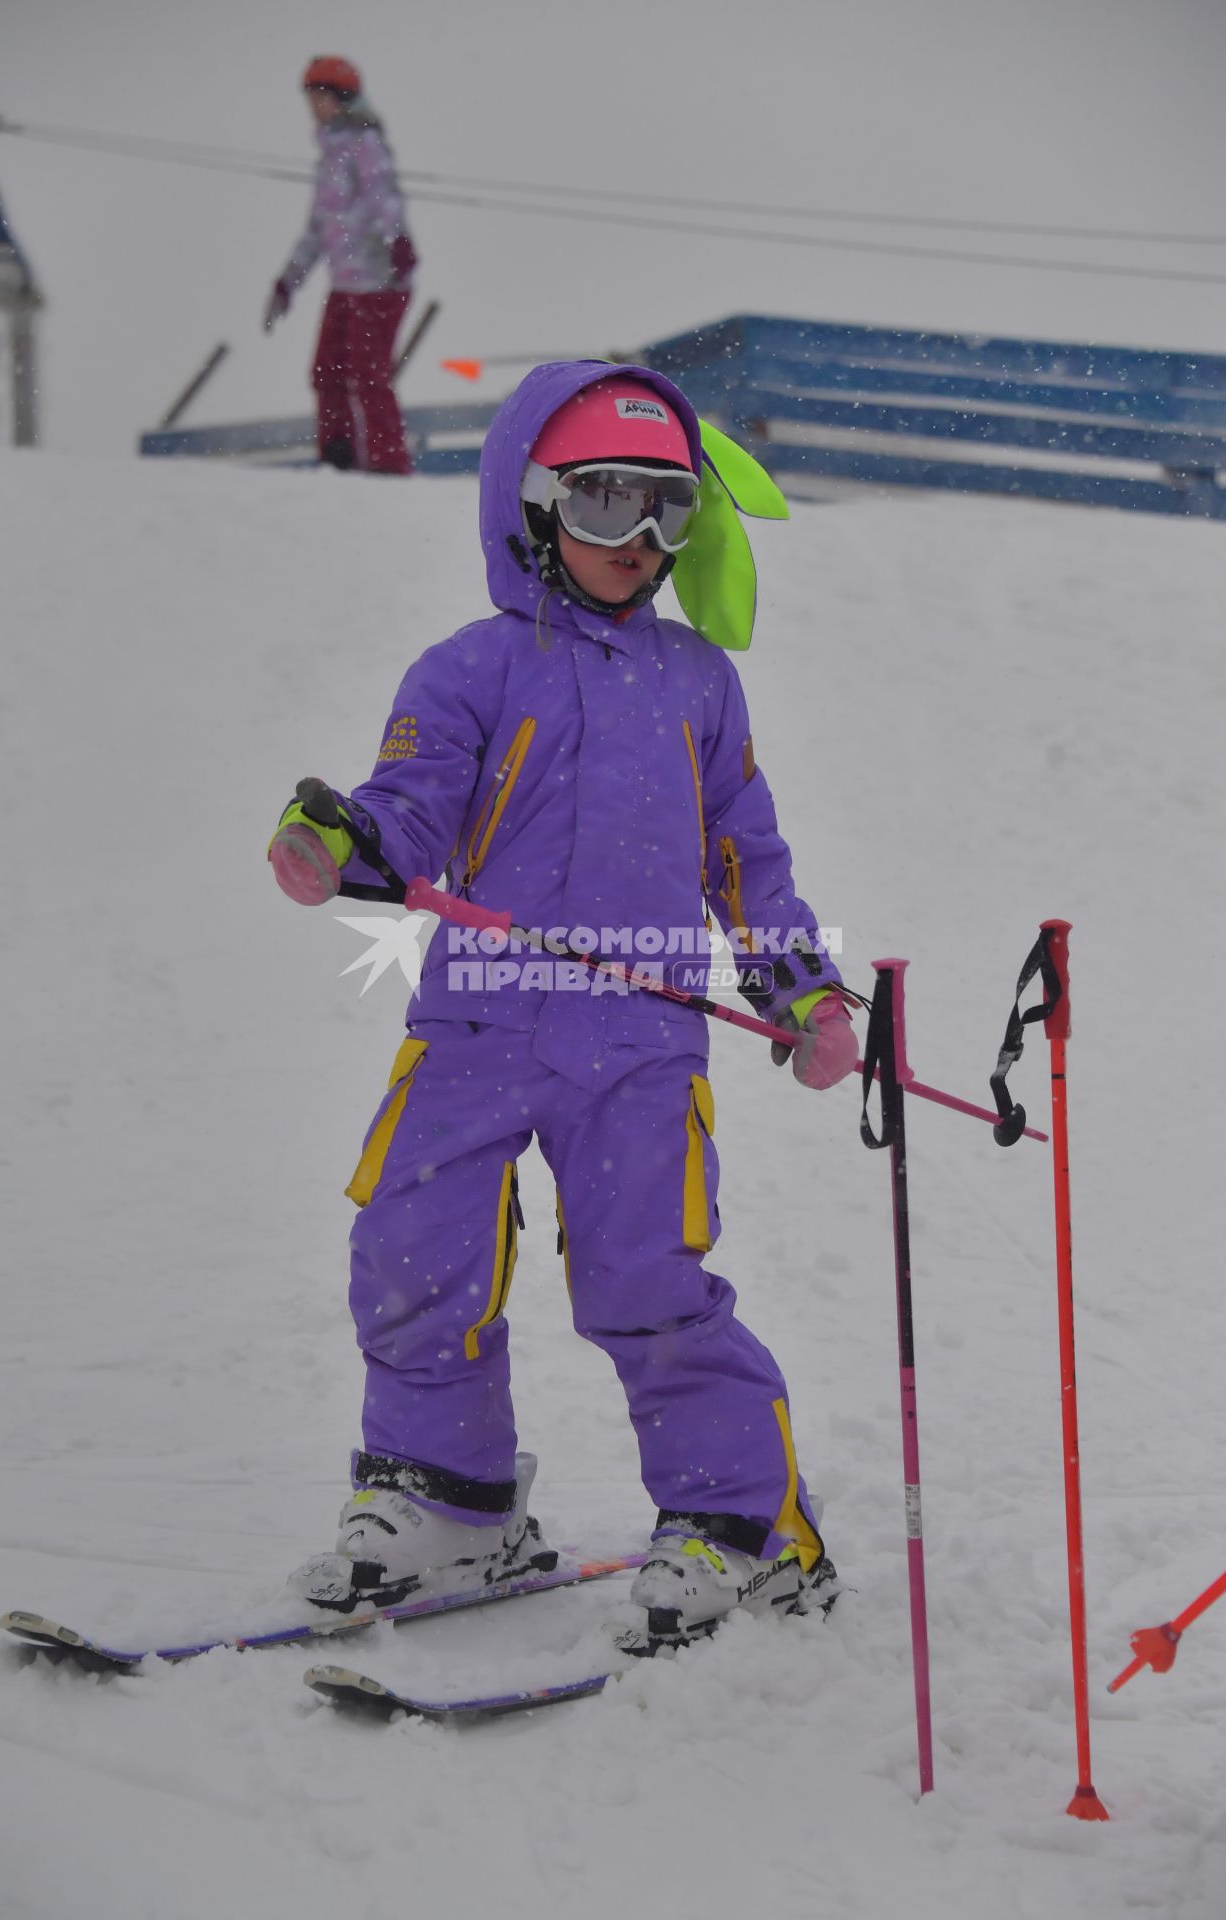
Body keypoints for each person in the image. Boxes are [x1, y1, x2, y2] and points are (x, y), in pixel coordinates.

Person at [267, 361, 860, 1644]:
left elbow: (743, 858)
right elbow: (411, 808)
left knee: (646, 1277)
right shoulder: (471, 667)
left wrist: (801, 989)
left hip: (638, 1041)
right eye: (599, 504)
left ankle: (738, 1519)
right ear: (533, 504)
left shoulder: (698, 684)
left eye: (664, 511)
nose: (635, 541)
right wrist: (350, 843)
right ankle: (449, 1500)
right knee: (413, 1252)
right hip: (476, 1019)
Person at [263, 55, 416, 474]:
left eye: (320, 95)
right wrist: (288, 281)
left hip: (381, 279)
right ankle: (338, 458)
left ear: (342, 97)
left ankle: (388, 464)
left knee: (369, 376)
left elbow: (383, 197)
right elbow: (317, 230)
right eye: (310, 96)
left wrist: (396, 240)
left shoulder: (364, 143)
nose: (313, 105)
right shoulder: (329, 157)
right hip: (345, 283)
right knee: (326, 372)